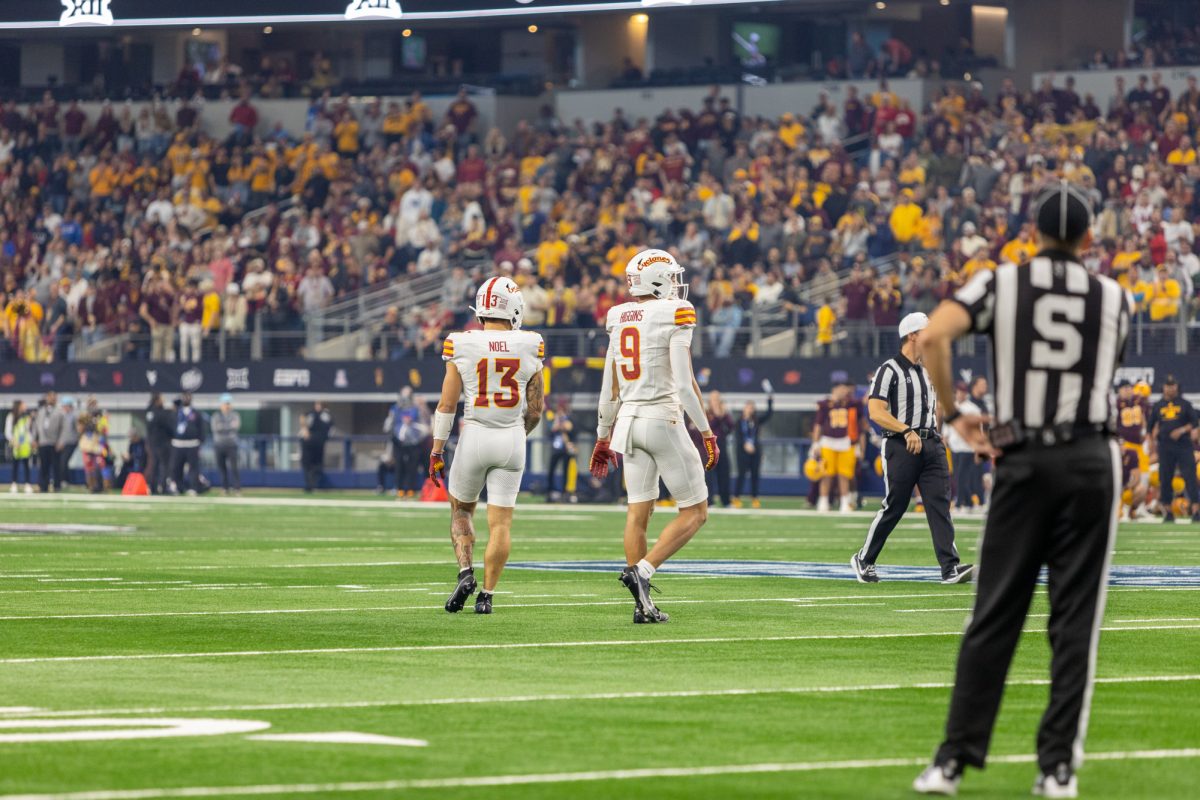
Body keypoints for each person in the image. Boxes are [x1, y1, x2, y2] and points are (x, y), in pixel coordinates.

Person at [914, 181, 1133, 798]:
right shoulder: (1116, 296)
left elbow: (934, 335)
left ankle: (952, 761)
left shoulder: (1000, 282)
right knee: (1075, 621)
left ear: (1033, 236)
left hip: (1022, 456)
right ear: (1088, 240)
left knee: (995, 612)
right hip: (1091, 458)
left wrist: (957, 414)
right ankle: (1057, 768)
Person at [589, 249, 719, 624]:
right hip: (662, 418)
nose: (677, 285)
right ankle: (642, 572)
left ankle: (641, 605)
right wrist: (707, 432)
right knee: (695, 511)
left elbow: (609, 386)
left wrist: (602, 435)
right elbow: (682, 384)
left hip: (628, 423)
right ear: (659, 279)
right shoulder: (674, 312)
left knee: (638, 513)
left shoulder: (618, 316)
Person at [430, 276, 545, 615]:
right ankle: (488, 596)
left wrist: (437, 449)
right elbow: (536, 408)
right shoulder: (530, 343)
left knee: (461, 511)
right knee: (502, 524)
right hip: (511, 438)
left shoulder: (461, 343)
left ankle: (466, 572)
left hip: (475, 436)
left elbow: (447, 405)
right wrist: (516, 436)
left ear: (480, 310)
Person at [852, 314, 974, 584]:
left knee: (939, 504)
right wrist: (905, 430)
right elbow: (875, 411)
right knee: (896, 505)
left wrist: (935, 433)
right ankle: (864, 558)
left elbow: (937, 406)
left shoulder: (929, 370)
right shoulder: (888, 370)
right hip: (900, 444)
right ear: (912, 335)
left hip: (930, 442)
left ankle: (949, 568)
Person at [1149, 374, 1200, 523]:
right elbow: (1150, 427)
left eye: (1172, 386)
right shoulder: (1158, 406)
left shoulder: (1185, 404)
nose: (1170, 388)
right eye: (1167, 386)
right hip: (1165, 446)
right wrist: (1152, 444)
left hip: (1184, 446)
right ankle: (1168, 512)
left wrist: (1182, 430)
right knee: (1165, 478)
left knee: (1190, 477)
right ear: (1163, 387)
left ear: (1176, 387)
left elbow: (1194, 422)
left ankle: (1196, 511)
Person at [812, 381, 866, 514]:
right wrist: (815, 443)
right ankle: (823, 502)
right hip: (828, 442)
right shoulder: (825, 404)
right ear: (834, 390)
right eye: (841, 389)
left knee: (844, 474)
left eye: (845, 389)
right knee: (827, 474)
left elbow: (864, 403)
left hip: (846, 442)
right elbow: (818, 425)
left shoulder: (851, 403)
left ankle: (844, 503)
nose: (844, 392)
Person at [944, 382, 984, 514]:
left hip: (968, 448)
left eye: (963, 392)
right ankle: (970, 503)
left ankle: (960, 503)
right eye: (958, 391)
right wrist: (945, 437)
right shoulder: (952, 407)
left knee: (962, 476)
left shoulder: (972, 409)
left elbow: (979, 429)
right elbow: (947, 425)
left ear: (966, 393)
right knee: (958, 476)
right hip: (955, 447)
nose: (960, 394)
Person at [733, 381, 774, 508]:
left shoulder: (756, 421)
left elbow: (769, 414)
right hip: (742, 451)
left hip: (755, 451)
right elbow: (738, 436)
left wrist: (770, 400)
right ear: (744, 408)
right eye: (748, 407)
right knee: (741, 474)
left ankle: (755, 498)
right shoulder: (739, 422)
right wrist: (745, 444)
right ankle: (737, 497)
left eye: (752, 407)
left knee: (755, 475)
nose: (750, 409)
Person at [1115, 379, 1150, 520]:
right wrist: (1119, 442)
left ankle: (1138, 509)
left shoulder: (1139, 401)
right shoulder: (1115, 404)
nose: (1127, 390)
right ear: (1118, 391)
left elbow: (1145, 418)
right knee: (1122, 477)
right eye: (1124, 388)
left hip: (1140, 445)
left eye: (1129, 387)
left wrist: (1146, 433)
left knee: (1144, 477)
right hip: (1126, 445)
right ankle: (1119, 507)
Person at [384, 387, 425, 498]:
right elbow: (388, 425)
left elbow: (422, 426)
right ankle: (399, 488)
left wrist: (417, 436)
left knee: (412, 466)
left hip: (413, 442)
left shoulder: (416, 409)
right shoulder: (395, 409)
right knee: (399, 465)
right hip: (399, 442)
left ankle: (410, 489)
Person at [704, 391, 735, 508]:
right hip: (710, 447)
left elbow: (731, 427)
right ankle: (710, 501)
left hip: (721, 446)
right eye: (713, 399)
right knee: (709, 475)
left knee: (724, 474)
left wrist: (723, 415)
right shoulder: (706, 413)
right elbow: (709, 426)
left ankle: (726, 501)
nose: (715, 402)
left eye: (717, 399)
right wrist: (717, 416)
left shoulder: (725, 414)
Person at [169, 393, 205, 496]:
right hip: (178, 444)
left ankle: (194, 487)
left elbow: (201, 429)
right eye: (184, 397)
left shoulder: (196, 413)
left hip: (192, 444)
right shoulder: (176, 413)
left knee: (193, 468)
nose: (186, 399)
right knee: (177, 467)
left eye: (188, 397)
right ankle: (179, 487)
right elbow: (171, 427)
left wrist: (200, 441)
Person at [545, 397, 577, 503]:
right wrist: (556, 424)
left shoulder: (569, 418)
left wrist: (562, 424)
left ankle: (565, 492)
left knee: (565, 471)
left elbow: (570, 429)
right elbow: (551, 432)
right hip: (556, 448)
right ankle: (550, 491)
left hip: (565, 449)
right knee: (551, 470)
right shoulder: (554, 419)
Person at [211, 393, 241, 496]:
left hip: (232, 445)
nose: (227, 406)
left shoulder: (235, 415)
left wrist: (223, 427)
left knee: (234, 467)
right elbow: (216, 428)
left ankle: (237, 488)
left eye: (228, 404)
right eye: (225, 404)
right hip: (219, 445)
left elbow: (235, 427)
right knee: (222, 468)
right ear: (221, 405)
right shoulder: (216, 416)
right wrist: (228, 427)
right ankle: (225, 488)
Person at [144, 393, 174, 495]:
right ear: (157, 400)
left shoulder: (149, 411)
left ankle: (153, 487)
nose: (164, 400)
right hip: (162, 442)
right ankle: (163, 487)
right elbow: (168, 426)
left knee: (154, 465)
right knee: (164, 466)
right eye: (162, 399)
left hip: (152, 442)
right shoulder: (161, 413)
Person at [300, 402, 333, 493]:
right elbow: (302, 417)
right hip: (309, 441)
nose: (317, 407)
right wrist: (305, 429)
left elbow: (330, 428)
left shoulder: (326, 415)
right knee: (306, 463)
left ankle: (311, 484)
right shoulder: (311, 413)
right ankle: (309, 485)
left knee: (317, 464)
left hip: (318, 442)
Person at [35, 393, 64, 493]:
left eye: (53, 398)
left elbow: (63, 428)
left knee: (56, 466)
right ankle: (43, 486)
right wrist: (35, 439)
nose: (51, 399)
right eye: (50, 397)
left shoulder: (60, 412)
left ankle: (57, 486)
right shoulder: (41, 411)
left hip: (54, 442)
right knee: (44, 465)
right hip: (43, 442)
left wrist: (60, 441)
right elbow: (36, 426)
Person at [6, 400, 34, 493]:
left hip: (25, 445)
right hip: (15, 445)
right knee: (15, 465)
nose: (25, 406)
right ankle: (14, 484)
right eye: (23, 405)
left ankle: (27, 484)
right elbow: (8, 432)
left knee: (27, 465)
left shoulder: (26, 417)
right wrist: (13, 442)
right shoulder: (11, 417)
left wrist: (31, 442)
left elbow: (28, 432)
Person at [57, 396, 79, 491]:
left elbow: (74, 431)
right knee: (62, 462)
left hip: (70, 442)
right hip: (62, 442)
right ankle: (63, 480)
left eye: (66, 406)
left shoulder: (73, 416)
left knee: (64, 461)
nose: (64, 408)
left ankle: (65, 481)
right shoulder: (62, 416)